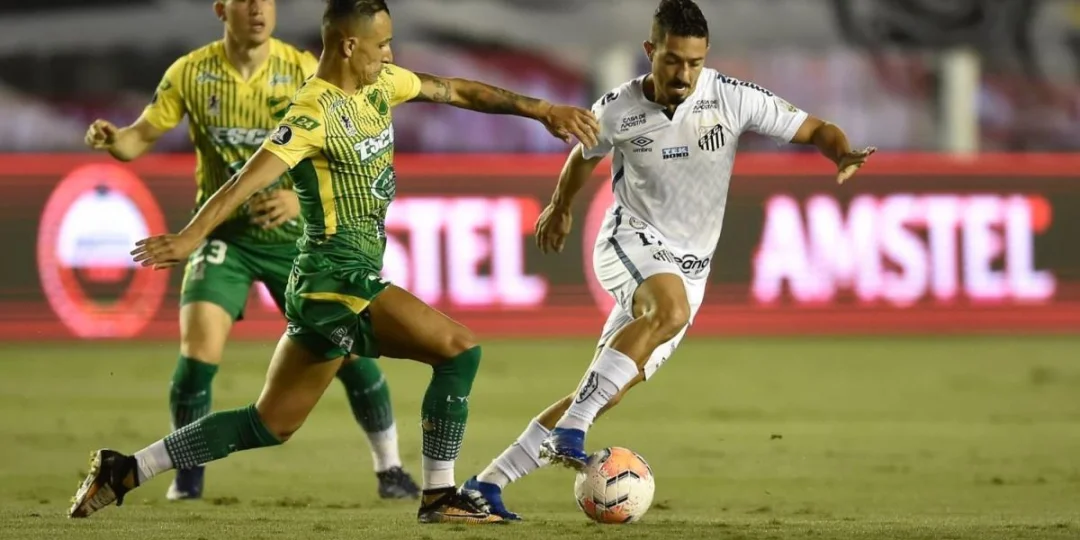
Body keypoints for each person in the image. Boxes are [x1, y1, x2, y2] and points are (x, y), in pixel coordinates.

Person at [69, 0, 599, 524]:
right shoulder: (311, 112)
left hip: (326, 284)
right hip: (335, 279)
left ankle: (126, 469)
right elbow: (244, 180)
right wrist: (190, 237)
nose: (390, 53)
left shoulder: (382, 84)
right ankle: (440, 496)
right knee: (459, 352)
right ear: (349, 45)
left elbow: (457, 90)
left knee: (268, 423)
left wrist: (542, 109)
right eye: (382, 43)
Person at [461, 0, 874, 520]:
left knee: (602, 391)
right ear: (650, 51)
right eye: (673, 60)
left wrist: (841, 152)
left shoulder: (732, 98)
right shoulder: (619, 108)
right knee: (667, 313)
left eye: (694, 62)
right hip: (629, 239)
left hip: (690, 269)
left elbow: (816, 128)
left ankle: (486, 484)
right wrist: (561, 207)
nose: (683, 73)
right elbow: (583, 155)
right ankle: (573, 428)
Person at [82, 0, 421, 501]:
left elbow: (341, 144)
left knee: (351, 354)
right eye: (247, 1)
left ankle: (390, 468)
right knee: (198, 350)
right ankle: (188, 477)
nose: (259, 10)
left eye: (268, 0)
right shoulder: (190, 73)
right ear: (223, 9)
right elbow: (139, 139)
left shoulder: (302, 67)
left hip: (298, 243)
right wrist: (115, 140)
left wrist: (296, 197)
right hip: (226, 239)